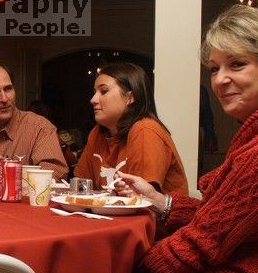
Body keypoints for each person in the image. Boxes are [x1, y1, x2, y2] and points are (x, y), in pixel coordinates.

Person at [113, 4, 258, 273]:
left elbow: (202, 244)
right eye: (214, 68)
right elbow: (229, 217)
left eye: (237, 64)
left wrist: (131, 263)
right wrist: (164, 204)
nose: (220, 79)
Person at [74, 62, 188, 194]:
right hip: (110, 214)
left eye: (104, 91)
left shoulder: (145, 130)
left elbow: (143, 200)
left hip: (155, 214)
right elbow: (81, 188)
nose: (93, 99)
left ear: (130, 97)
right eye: (95, 92)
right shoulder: (97, 133)